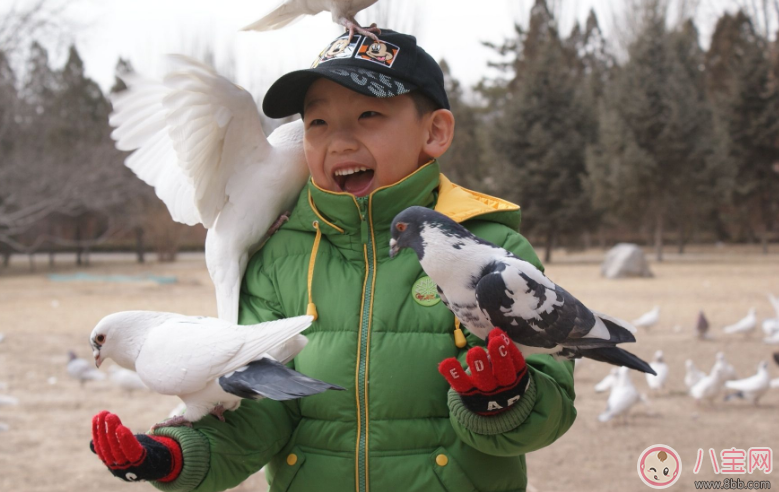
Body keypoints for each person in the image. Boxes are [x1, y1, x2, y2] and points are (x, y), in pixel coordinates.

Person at [90, 29, 577, 492]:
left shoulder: (490, 250)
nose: (338, 140)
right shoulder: (277, 259)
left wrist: (505, 401)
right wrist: (173, 455)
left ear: (435, 132)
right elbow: (257, 409)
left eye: (368, 115)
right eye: (317, 122)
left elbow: (552, 402)